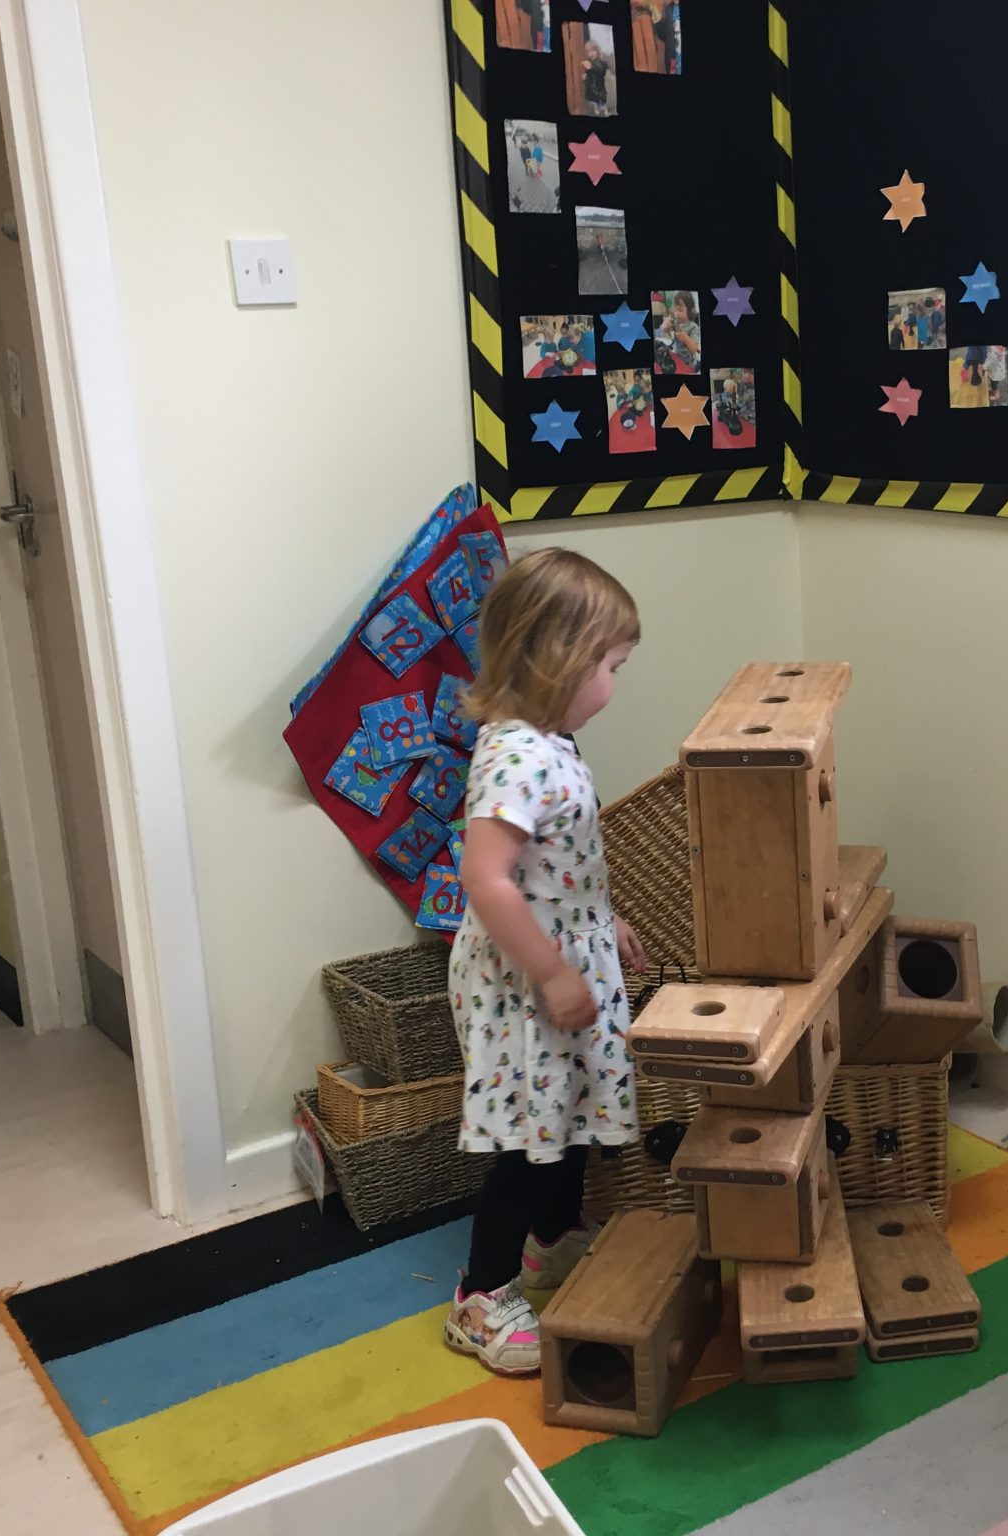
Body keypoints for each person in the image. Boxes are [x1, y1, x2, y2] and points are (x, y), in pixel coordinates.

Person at [442, 549, 646, 1376]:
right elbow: (486, 879)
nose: (614, 683)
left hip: (563, 957)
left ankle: (551, 1242)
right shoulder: (517, 757)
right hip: (522, 986)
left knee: (570, 1114)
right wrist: (558, 972)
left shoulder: (550, 740)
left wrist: (601, 920)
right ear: (558, 660)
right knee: (533, 1137)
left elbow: (549, 866)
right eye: (610, 666)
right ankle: (480, 1296)